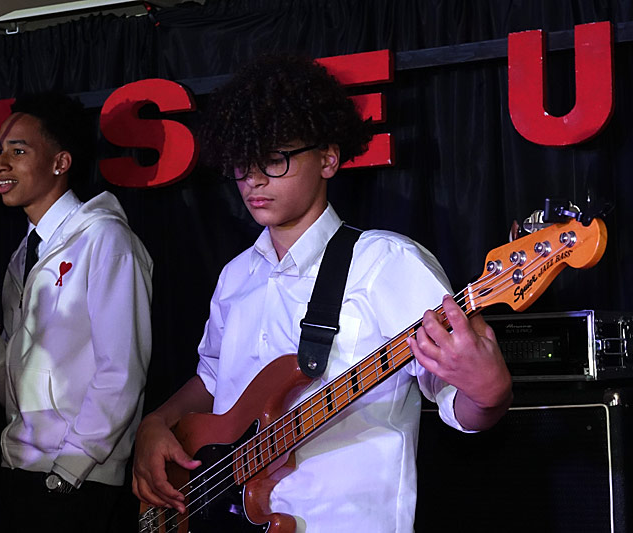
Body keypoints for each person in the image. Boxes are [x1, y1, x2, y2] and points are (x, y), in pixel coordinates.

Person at [132, 54, 512, 532]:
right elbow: (211, 381)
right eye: (244, 163)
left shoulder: (386, 263)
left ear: (328, 158)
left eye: (275, 159)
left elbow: (459, 402)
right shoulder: (235, 276)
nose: (254, 179)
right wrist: (157, 423)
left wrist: (489, 392)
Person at [0, 92, 153, 531]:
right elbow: (17, 392)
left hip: (77, 481)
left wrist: (68, 471)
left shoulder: (105, 240)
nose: (0, 164)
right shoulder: (24, 257)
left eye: (18, 151)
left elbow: (122, 371)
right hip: (21, 473)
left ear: (61, 162)